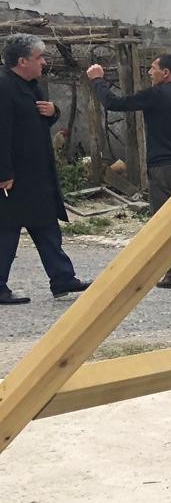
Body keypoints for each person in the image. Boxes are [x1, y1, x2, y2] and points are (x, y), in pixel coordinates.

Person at [87, 53, 171, 290]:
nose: (149, 73)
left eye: (153, 68)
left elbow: (114, 103)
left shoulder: (155, 95)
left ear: (165, 73)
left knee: (165, 224)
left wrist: (98, 81)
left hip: (163, 168)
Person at [0, 35, 91, 303]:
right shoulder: (4, 86)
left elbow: (37, 121)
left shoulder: (30, 85)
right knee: (6, 231)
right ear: (22, 61)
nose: (44, 62)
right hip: (14, 176)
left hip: (37, 174)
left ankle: (62, 278)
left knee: (46, 226)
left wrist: (54, 112)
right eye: (39, 57)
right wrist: (3, 172)